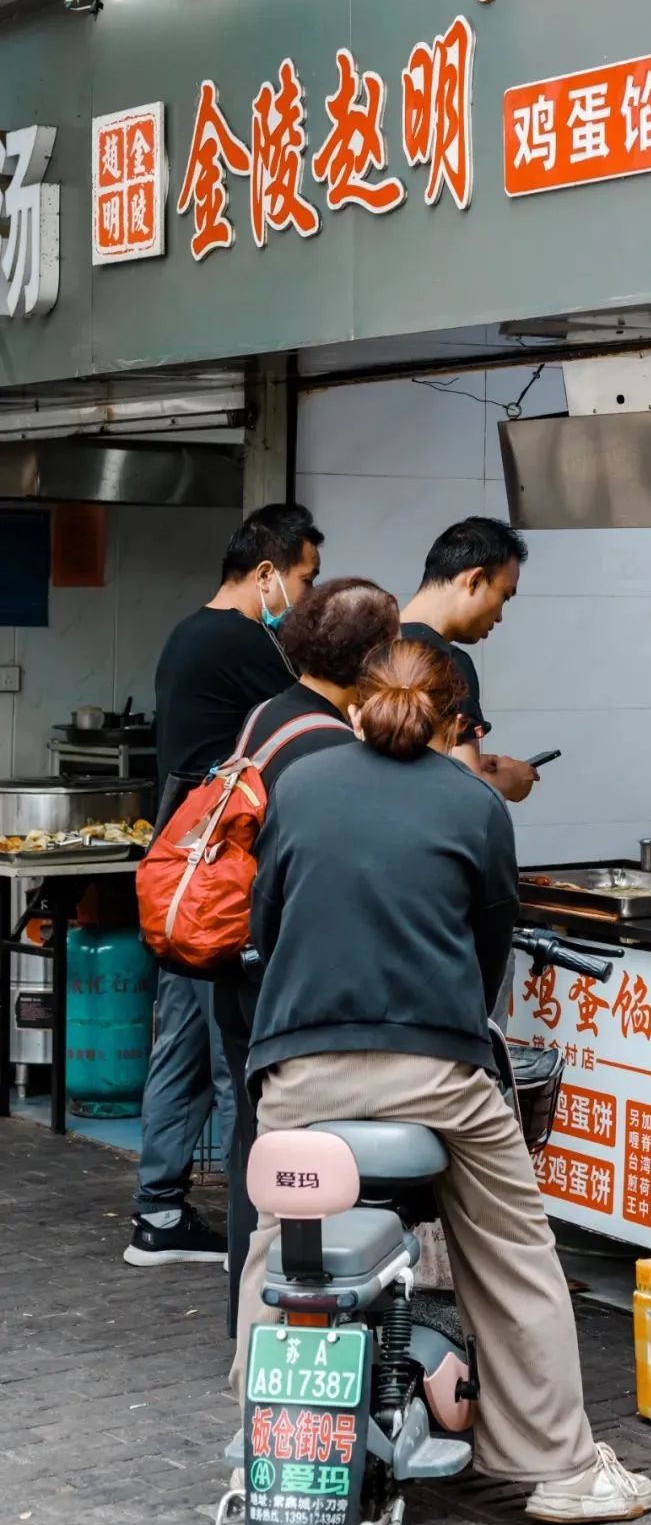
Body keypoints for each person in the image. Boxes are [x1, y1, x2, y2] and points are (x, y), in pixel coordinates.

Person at [232, 639, 651, 1525]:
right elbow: (489, 948)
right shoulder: (474, 802)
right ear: (453, 719)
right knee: (514, 1250)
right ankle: (561, 1468)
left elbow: (266, 922)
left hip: (301, 1072)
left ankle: (261, 1445)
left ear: (355, 705)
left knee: (277, 1243)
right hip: (438, 1073)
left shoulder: (299, 787)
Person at [126, 504, 323, 1268]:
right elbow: (315, 717)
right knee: (227, 1054)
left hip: (185, 876)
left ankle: (159, 1210)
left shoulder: (187, 633)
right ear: (268, 571)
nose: (303, 596)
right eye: (303, 578)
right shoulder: (246, 643)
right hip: (223, 881)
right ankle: (256, 1228)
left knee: (179, 1040)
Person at [214, 576, 399, 1333]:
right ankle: (305, 1317)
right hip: (289, 980)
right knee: (310, 1147)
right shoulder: (328, 747)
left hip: (238, 963)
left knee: (254, 1142)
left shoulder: (269, 714)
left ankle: (251, 1306)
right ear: (370, 659)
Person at [400, 516, 539, 806]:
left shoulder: (372, 645)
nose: (500, 615)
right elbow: (464, 792)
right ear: (474, 580)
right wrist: (510, 782)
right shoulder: (448, 664)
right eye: (504, 596)